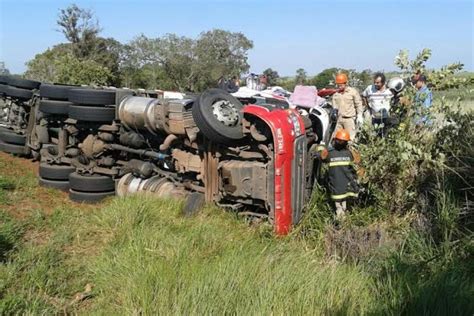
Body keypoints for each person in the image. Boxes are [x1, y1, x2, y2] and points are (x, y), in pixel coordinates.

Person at [317, 129, 360, 220]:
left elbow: (321, 157)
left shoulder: (330, 153)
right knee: (345, 205)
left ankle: (340, 222)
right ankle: (345, 219)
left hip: (336, 188)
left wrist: (320, 147)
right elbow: (358, 161)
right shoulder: (350, 154)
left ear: (335, 140)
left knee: (339, 207)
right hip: (349, 187)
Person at [331, 73, 364, 140]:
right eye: (338, 85)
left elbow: (358, 104)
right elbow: (334, 106)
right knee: (336, 138)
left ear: (345, 83)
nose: (339, 86)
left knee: (351, 139)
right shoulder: (336, 94)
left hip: (349, 119)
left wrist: (360, 115)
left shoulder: (352, 92)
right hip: (339, 119)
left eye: (341, 84)